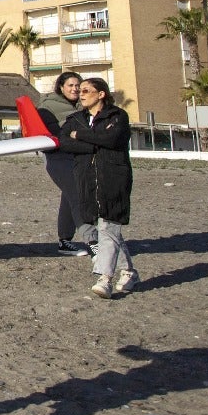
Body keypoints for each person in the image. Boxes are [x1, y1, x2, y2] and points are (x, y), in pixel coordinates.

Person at [55, 77, 138, 298]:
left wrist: (81, 136)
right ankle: (129, 272)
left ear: (101, 94)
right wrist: (96, 141)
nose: (80, 94)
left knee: (108, 227)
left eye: (86, 90)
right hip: (87, 179)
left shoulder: (117, 116)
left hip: (113, 178)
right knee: (105, 227)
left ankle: (105, 278)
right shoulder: (75, 119)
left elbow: (113, 139)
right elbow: (64, 142)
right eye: (79, 90)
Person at [36, 72, 92, 255]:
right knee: (78, 194)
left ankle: (65, 241)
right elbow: (46, 132)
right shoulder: (48, 106)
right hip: (58, 157)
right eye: (71, 85)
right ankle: (94, 241)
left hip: (77, 157)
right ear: (61, 87)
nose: (75, 89)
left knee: (68, 198)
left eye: (78, 85)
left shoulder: (81, 106)